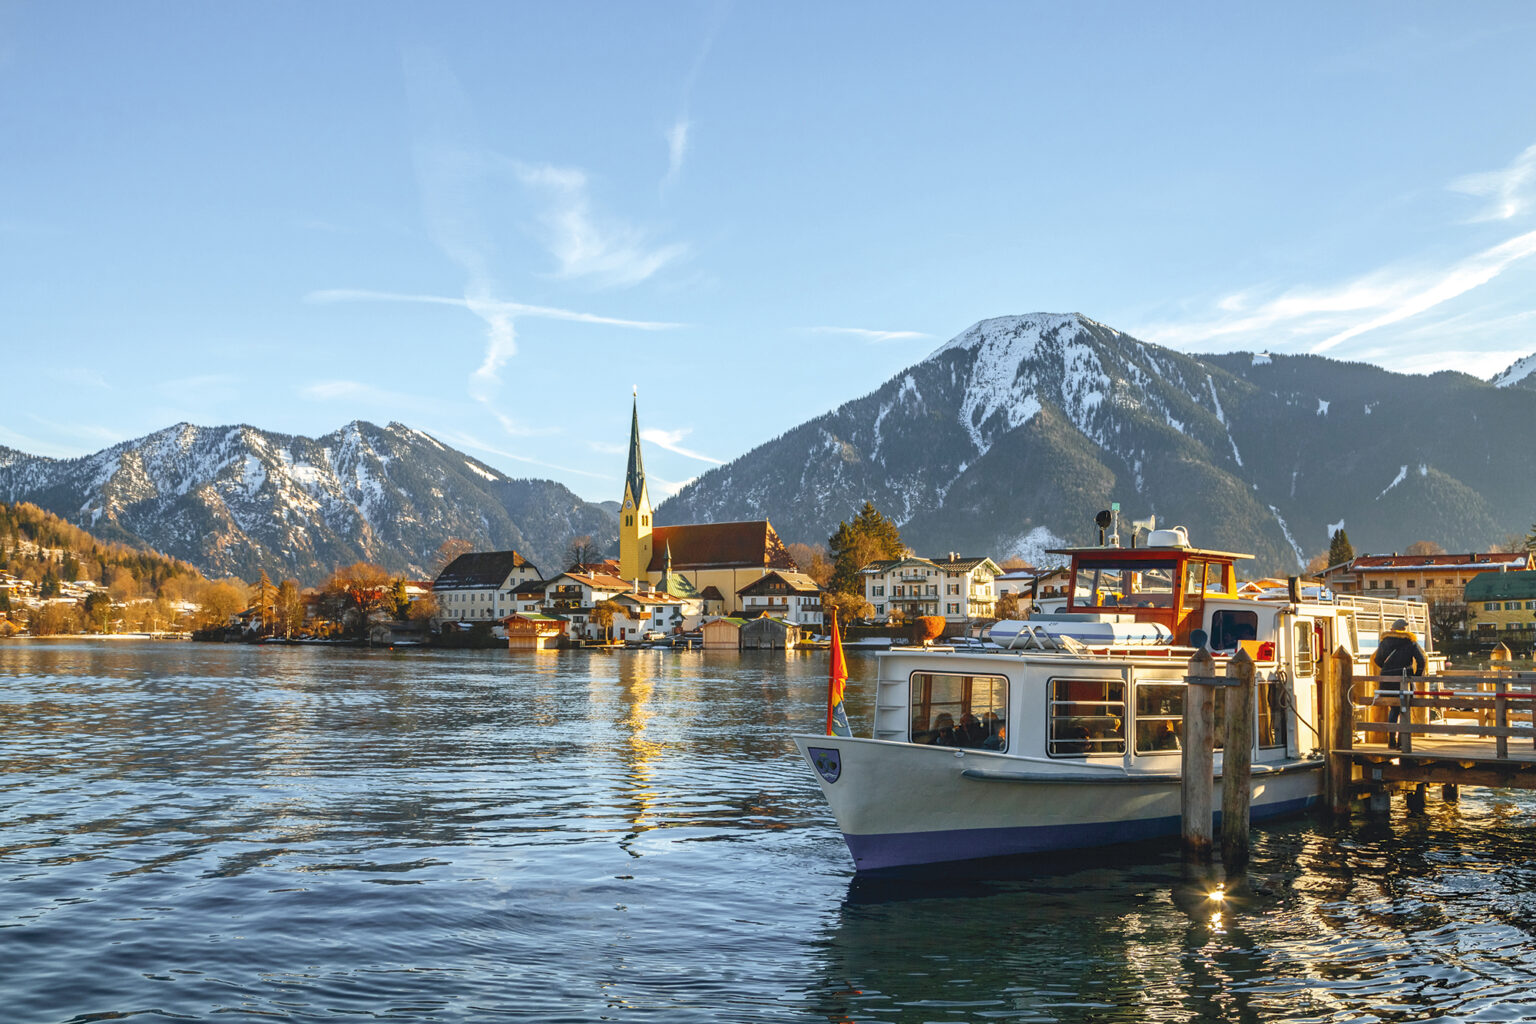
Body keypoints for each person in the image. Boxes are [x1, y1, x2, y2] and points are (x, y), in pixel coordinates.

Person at [1372, 617, 1426, 750]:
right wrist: (1417, 675)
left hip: (1387, 680)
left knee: (1393, 708)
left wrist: (1387, 669)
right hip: (1404, 677)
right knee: (1404, 707)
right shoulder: (1410, 642)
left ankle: (1391, 740)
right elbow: (1422, 660)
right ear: (1404, 629)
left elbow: (1378, 660)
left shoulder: (1385, 642)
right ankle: (1403, 741)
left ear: (1392, 629)